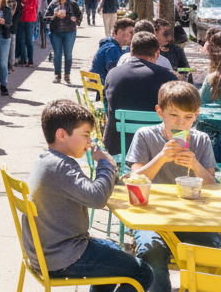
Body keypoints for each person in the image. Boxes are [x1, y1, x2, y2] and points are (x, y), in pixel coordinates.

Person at [21, 100, 153, 292]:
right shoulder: (62, 166)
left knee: (113, 250)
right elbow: (97, 198)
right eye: (85, 135)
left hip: (46, 253)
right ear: (61, 134)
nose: (89, 142)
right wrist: (107, 163)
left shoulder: (46, 160)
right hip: (62, 256)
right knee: (143, 272)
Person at [126, 81, 218, 292]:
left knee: (212, 248)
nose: (181, 123)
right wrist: (160, 158)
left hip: (193, 217)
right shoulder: (146, 136)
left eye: (188, 117)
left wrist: (196, 165)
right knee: (152, 251)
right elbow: (134, 180)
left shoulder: (201, 140)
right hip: (152, 218)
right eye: (174, 115)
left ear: (196, 115)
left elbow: (213, 186)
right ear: (160, 112)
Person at [101, 33, 178, 155]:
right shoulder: (168, 77)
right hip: (156, 149)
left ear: (131, 52)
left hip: (118, 147)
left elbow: (107, 108)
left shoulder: (112, 74)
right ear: (157, 53)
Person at [45, 0, 82, 84]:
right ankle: (57, 75)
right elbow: (46, 17)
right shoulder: (53, 4)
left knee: (68, 54)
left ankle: (67, 75)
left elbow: (79, 15)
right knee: (57, 54)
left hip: (70, 31)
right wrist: (54, 16)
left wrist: (75, 19)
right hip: (55, 32)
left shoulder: (73, 4)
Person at [90, 18, 135, 85]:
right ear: (120, 32)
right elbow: (114, 74)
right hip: (104, 89)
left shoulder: (108, 45)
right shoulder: (112, 48)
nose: (133, 36)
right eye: (130, 33)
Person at [15, 0, 39, 66]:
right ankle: (23, 59)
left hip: (30, 20)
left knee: (28, 40)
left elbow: (31, 7)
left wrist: (23, 3)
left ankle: (30, 59)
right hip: (21, 19)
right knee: (21, 40)